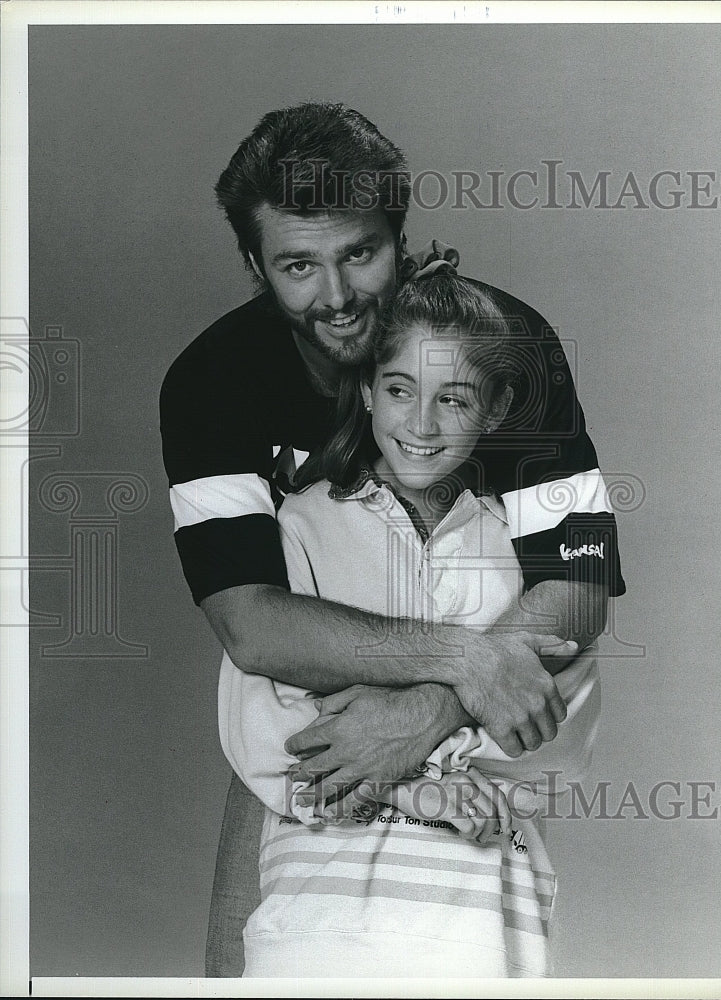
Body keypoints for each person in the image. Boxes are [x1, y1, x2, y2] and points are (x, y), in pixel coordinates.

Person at [159, 102, 625, 976]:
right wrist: (460, 662)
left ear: (399, 238)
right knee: (246, 962)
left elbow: (581, 579)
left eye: (359, 254)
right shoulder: (210, 381)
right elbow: (254, 626)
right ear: (254, 264)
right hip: (312, 735)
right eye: (298, 265)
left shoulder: (501, 348)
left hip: (474, 761)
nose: (335, 298)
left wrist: (437, 703)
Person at [219, 272, 605, 977]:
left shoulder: (518, 550)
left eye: (452, 400)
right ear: (366, 389)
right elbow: (258, 720)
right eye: (399, 390)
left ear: (495, 408)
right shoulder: (303, 525)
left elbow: (562, 718)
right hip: (317, 918)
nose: (421, 425)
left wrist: (409, 725)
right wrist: (409, 784)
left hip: (477, 922)